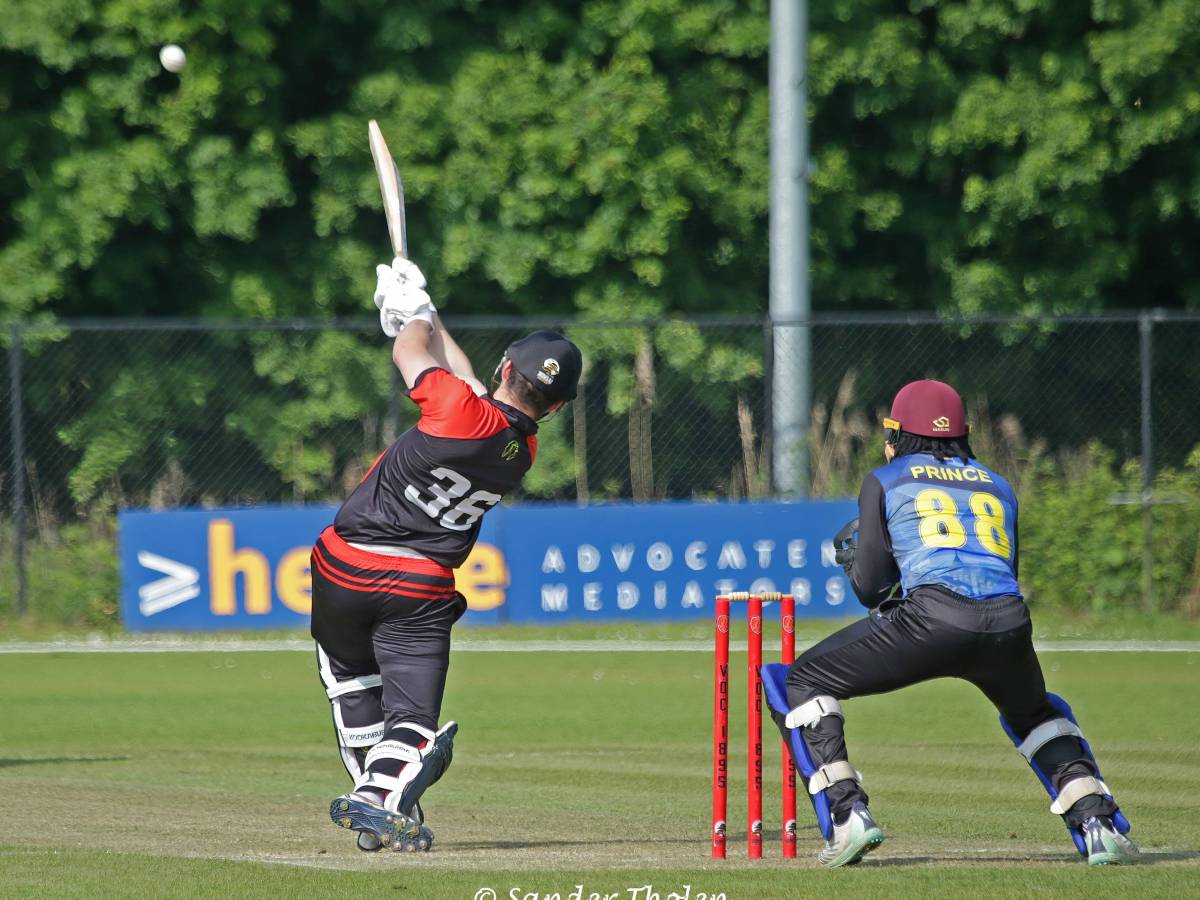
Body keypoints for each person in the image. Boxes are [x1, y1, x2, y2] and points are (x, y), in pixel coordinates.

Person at [772, 379, 1136, 868]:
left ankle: (847, 816)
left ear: (898, 434)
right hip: (1008, 623)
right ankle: (1097, 823)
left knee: (805, 678)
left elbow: (872, 590)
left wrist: (852, 559)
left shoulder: (885, 477)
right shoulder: (998, 484)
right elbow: (1003, 571)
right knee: (1035, 713)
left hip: (930, 620)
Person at [310, 257, 582, 852]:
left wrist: (407, 321)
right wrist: (426, 309)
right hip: (418, 587)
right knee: (411, 719)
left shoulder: (461, 409)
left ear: (505, 364)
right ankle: (381, 793)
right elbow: (469, 386)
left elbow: (410, 358)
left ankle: (375, 802)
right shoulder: (519, 450)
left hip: (344, 564)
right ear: (557, 408)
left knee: (352, 683)